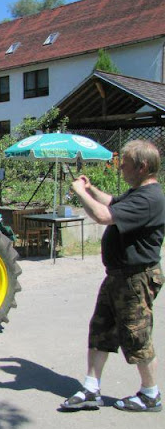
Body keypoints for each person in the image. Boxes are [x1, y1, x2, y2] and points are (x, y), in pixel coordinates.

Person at [62, 139, 165, 412]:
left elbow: (102, 215)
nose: (121, 169)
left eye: (125, 165)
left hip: (135, 278)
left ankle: (150, 394)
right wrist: (90, 189)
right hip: (119, 277)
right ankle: (91, 389)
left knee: (137, 336)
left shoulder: (149, 198)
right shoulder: (137, 193)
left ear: (142, 167)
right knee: (101, 331)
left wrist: (79, 193)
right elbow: (110, 202)